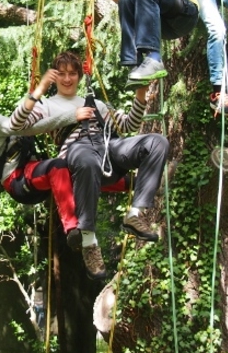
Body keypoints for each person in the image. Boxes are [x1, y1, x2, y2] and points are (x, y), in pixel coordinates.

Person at [10, 51, 170, 280]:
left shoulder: (96, 102)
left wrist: (141, 94)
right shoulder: (47, 105)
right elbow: (17, 125)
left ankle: (135, 214)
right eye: (62, 74)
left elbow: (127, 126)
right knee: (85, 159)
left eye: (72, 74)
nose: (67, 79)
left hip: (108, 149)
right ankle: (89, 240)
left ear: (79, 76)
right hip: (77, 153)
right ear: (54, 77)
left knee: (157, 142)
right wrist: (41, 89)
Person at [0, 70, 124, 238]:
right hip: (17, 178)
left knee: (76, 170)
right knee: (58, 167)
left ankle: (126, 183)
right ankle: (73, 228)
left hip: (26, 175)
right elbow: (21, 128)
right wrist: (68, 114)